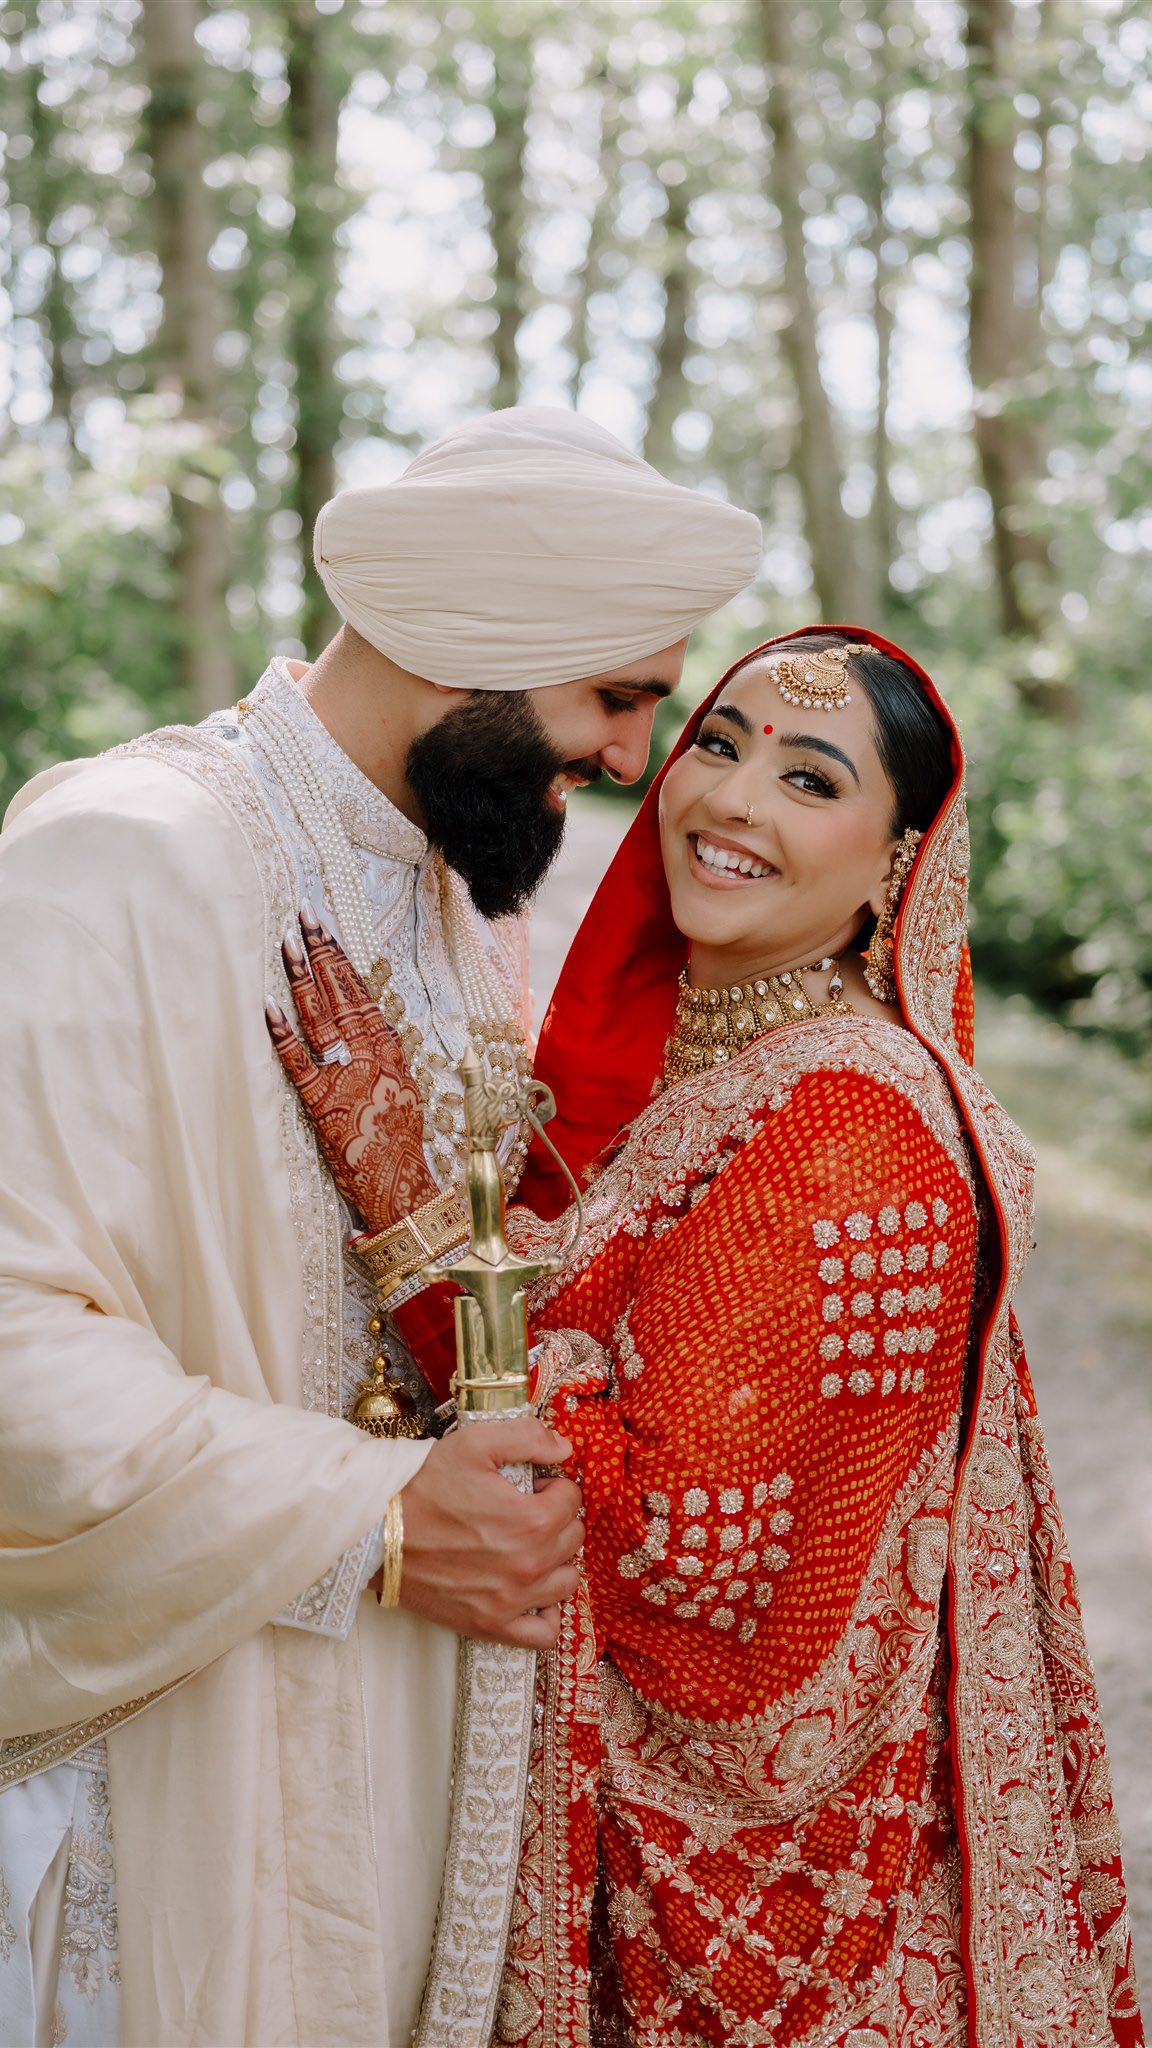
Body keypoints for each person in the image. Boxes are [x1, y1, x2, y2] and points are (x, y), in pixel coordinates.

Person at [0, 406, 763, 2047]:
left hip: (408, 1759)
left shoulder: (438, 893)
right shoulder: (123, 859)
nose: (637, 757)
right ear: (472, 645)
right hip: (172, 1765)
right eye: (620, 693)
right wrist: (383, 1514)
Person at [277, 628, 1142, 2046]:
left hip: (775, 1942)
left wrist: (417, 1215)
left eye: (810, 779)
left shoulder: (852, 1123)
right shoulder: (755, 1071)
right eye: (719, 747)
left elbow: (669, 1539)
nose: (732, 801)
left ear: (898, 862)